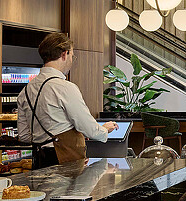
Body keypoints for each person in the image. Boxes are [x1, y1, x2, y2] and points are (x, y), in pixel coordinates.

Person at [17, 32, 117, 168]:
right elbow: (89, 129)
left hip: (39, 160)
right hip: (64, 160)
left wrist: (46, 140)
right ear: (64, 54)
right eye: (72, 56)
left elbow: (23, 136)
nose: (71, 60)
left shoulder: (25, 91)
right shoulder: (64, 88)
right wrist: (104, 129)